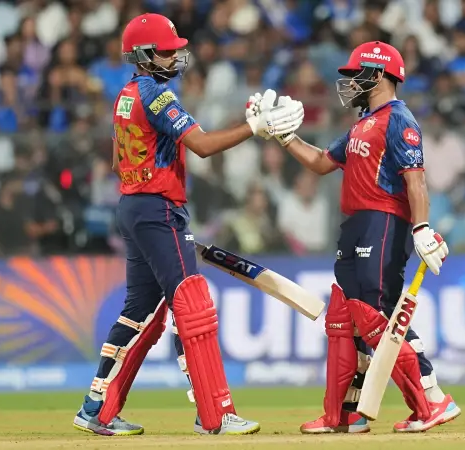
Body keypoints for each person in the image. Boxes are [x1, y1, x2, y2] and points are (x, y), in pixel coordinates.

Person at [72, 13, 301, 437]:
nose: (176, 58)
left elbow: (122, 158)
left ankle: (95, 408)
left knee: (139, 312)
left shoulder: (126, 94)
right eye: (167, 51)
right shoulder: (157, 96)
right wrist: (255, 127)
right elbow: (203, 146)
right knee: (191, 305)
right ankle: (214, 414)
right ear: (144, 55)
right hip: (158, 209)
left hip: (134, 205)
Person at [260, 41, 460, 434]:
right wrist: (285, 138)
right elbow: (322, 162)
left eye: (357, 74)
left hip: (384, 222)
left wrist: (421, 227)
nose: (350, 82)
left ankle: (432, 398)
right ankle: (346, 412)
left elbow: (415, 180)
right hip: (355, 224)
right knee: (349, 318)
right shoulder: (363, 122)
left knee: (377, 313)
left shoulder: (399, 119)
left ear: (380, 74)